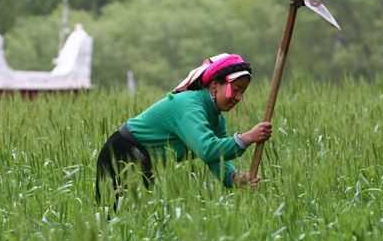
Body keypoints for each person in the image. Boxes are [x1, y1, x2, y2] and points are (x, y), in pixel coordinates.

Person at [95, 53, 272, 212]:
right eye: (235, 89)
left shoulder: (216, 118)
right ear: (214, 85)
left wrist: (234, 178)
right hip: (122, 154)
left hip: (144, 162)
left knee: (136, 221)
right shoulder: (189, 105)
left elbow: (216, 158)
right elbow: (208, 149)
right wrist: (248, 137)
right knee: (113, 218)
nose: (238, 98)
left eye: (243, 92)